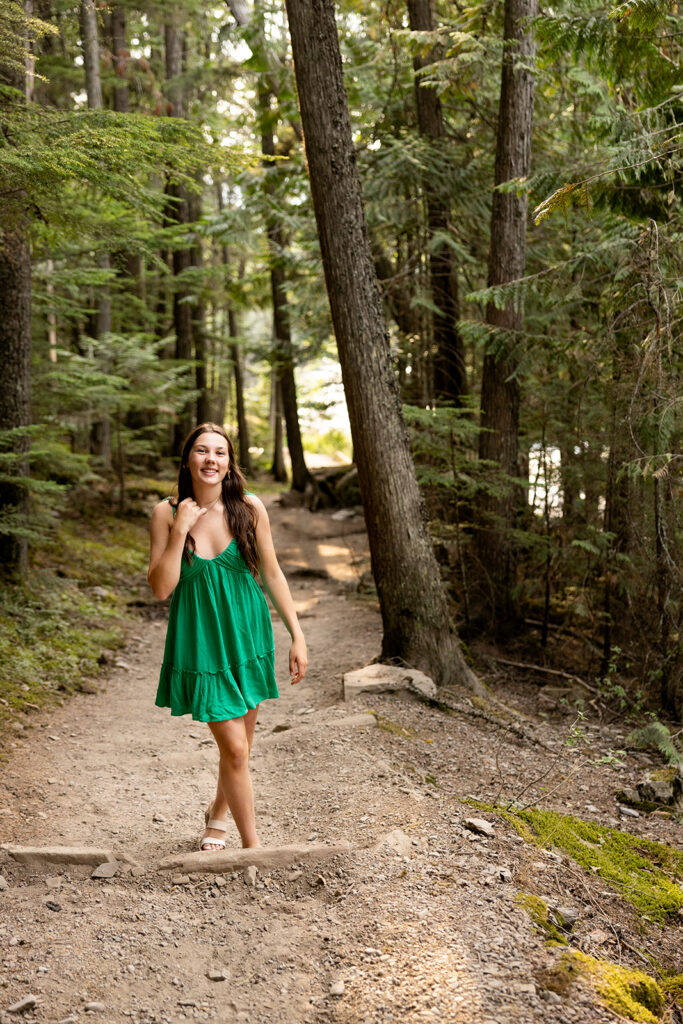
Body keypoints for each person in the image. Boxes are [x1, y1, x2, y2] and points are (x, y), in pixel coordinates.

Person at [148, 422, 307, 851]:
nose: (211, 460)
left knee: (240, 750)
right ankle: (253, 850)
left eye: (220, 452)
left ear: (229, 462)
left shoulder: (249, 508)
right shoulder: (167, 512)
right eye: (202, 451)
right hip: (200, 644)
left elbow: (272, 573)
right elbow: (161, 587)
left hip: (247, 637)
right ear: (188, 459)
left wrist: (297, 634)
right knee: (235, 749)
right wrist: (181, 528)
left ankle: (217, 815)